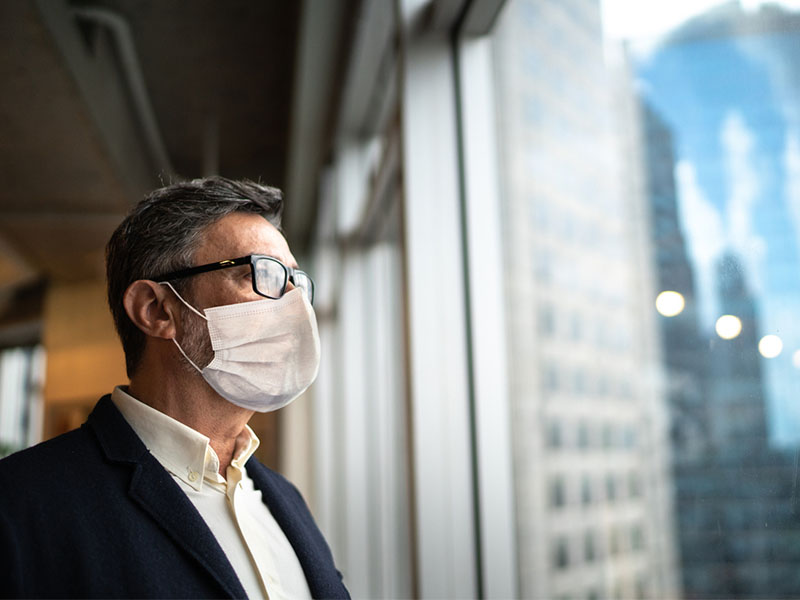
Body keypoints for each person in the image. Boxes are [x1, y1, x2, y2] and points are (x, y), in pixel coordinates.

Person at [0, 177, 350, 599]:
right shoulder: (22, 504)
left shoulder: (286, 500)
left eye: (297, 281)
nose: (294, 303)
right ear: (156, 310)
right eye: (263, 274)